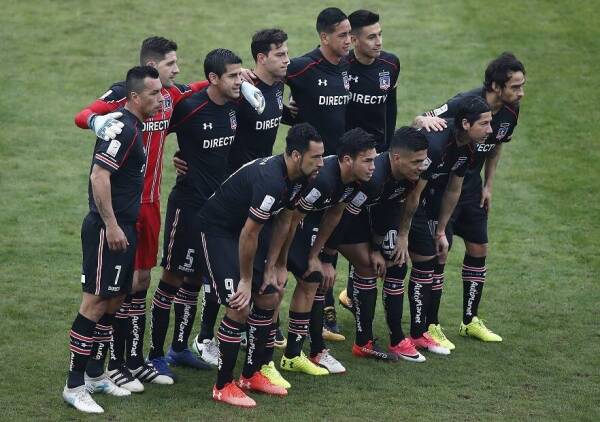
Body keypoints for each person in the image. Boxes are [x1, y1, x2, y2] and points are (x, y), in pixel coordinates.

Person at [197, 123, 324, 408]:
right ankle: (223, 385)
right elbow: (249, 233)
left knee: (269, 294)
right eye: (315, 157)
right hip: (219, 230)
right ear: (294, 155)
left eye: (322, 156)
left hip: (246, 231)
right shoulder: (270, 180)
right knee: (239, 304)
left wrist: (276, 265)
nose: (321, 163)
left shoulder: (305, 176)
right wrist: (245, 278)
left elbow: (286, 219)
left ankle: (251, 374)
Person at [63, 66, 163, 414]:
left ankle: (94, 374)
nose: (160, 98)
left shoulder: (137, 127)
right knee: (94, 303)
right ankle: (74, 385)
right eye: (153, 93)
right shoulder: (122, 129)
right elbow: (99, 176)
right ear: (135, 97)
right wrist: (111, 224)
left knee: (115, 300)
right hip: (109, 230)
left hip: (125, 229)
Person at [189, 29, 292, 368]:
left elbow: (277, 116)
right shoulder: (242, 91)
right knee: (227, 271)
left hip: (262, 187)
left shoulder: (277, 87)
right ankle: (206, 338)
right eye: (280, 54)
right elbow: (210, 112)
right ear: (261, 59)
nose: (287, 60)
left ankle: (244, 331)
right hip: (233, 191)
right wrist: (189, 158)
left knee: (249, 265)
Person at [413, 52, 525, 346]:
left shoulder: (511, 112)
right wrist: (423, 119)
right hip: (444, 186)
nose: (520, 93)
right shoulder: (466, 102)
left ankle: (469, 320)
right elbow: (424, 119)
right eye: (515, 86)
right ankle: (431, 324)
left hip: (471, 187)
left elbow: (497, 145)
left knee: (479, 246)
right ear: (496, 86)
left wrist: (488, 185)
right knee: (439, 251)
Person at [146, 48, 242, 379]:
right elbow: (156, 131)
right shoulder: (189, 108)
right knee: (172, 279)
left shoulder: (234, 106)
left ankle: (180, 348)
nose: (238, 81)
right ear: (213, 79)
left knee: (195, 281)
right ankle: (155, 355)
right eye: (232, 76)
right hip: (187, 208)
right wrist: (173, 157)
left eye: (240, 74)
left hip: (216, 213)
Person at [277, 128, 377, 375]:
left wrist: (319, 257)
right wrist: (280, 262)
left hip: (303, 224)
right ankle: (295, 351)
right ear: (346, 160)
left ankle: (303, 352)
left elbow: (334, 214)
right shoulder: (323, 181)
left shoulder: (355, 180)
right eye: (367, 160)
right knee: (293, 283)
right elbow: (291, 218)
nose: (373, 166)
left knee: (313, 280)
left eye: (374, 160)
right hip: (281, 223)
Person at [327, 127, 429, 362]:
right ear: (396, 158)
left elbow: (402, 204)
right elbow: (346, 216)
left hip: (381, 217)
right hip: (351, 221)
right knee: (368, 267)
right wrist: (370, 250)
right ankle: (363, 341)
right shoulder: (374, 179)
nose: (421, 166)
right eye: (415, 161)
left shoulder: (415, 172)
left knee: (398, 264)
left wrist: (402, 236)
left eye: (423, 161)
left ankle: (397, 339)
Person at [284, 6, 352, 340]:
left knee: (330, 234)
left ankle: (324, 310)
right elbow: (264, 80)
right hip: (308, 171)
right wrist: (285, 112)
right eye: (342, 35)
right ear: (324, 37)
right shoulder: (302, 67)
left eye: (350, 33)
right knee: (300, 236)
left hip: (338, 169)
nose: (348, 40)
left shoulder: (346, 67)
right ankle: (286, 318)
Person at [407, 96, 493, 355]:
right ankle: (402, 336)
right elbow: (413, 193)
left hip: (428, 201)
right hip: (404, 200)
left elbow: (454, 189)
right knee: (391, 264)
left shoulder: (468, 147)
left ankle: (418, 333)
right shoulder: (435, 145)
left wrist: (442, 229)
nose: (490, 130)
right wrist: (402, 233)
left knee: (428, 261)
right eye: (485, 124)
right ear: (466, 124)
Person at [346, 9, 400, 152]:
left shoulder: (391, 64)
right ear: (353, 40)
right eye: (371, 37)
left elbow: (390, 104)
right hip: (347, 150)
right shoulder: (341, 66)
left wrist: (388, 143)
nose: (379, 42)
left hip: (378, 148)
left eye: (380, 35)